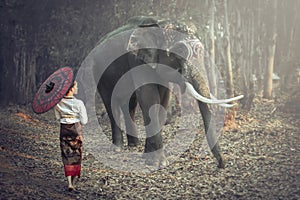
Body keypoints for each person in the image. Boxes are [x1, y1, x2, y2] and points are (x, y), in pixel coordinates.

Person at [54, 81, 88, 191]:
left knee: (66, 155)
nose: (77, 88)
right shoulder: (79, 103)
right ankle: (73, 182)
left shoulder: (58, 103)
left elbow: (57, 118)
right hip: (76, 130)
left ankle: (69, 182)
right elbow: (84, 121)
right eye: (76, 86)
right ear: (72, 89)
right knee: (76, 155)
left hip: (64, 130)